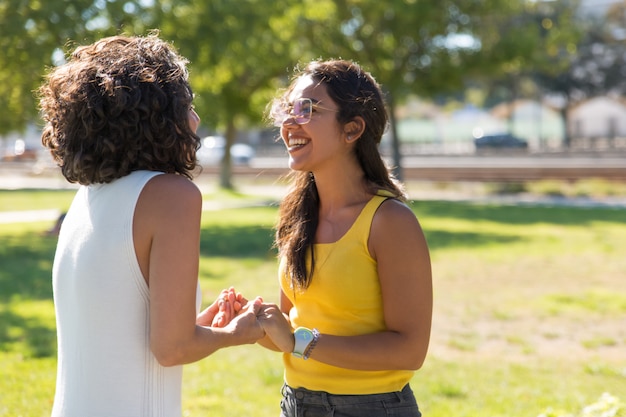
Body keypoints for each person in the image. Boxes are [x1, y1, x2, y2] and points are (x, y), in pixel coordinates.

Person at [38, 34, 264, 417]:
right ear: (157, 115)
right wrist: (237, 333)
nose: (196, 118)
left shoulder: (88, 198)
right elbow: (171, 349)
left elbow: (120, 326)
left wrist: (199, 326)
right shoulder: (173, 195)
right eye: (187, 105)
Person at [256, 59, 433, 417]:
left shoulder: (390, 222)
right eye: (288, 110)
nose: (290, 122)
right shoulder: (296, 215)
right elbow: (289, 334)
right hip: (296, 403)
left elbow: (409, 350)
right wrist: (255, 323)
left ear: (352, 129)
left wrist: (300, 341)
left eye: (307, 109)